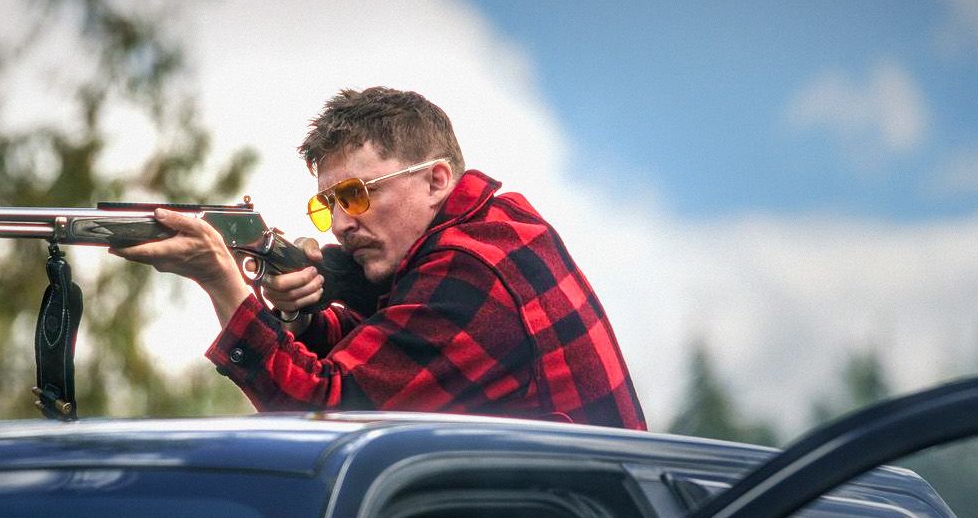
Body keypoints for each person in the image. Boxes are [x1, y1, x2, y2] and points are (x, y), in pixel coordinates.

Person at [111, 87, 646, 429]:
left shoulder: (470, 270)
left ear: (436, 180)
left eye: (357, 195)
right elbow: (392, 347)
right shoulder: (492, 233)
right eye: (329, 204)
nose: (342, 223)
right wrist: (302, 314)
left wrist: (222, 282)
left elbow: (324, 413)